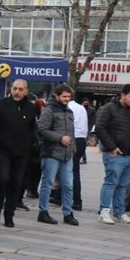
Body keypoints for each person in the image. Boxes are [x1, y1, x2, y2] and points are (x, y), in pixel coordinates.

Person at [0, 80, 37, 228]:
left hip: (22, 152)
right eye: (15, 88)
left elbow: (32, 127)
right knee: (3, 179)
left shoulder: (30, 108)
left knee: (16, 183)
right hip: (3, 150)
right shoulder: (0, 105)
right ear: (11, 89)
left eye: (20, 89)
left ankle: (9, 214)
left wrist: (31, 141)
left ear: (25, 91)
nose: (17, 91)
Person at [94, 84, 130, 225]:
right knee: (111, 182)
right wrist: (112, 147)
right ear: (123, 95)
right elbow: (100, 127)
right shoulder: (109, 108)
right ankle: (104, 212)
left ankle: (119, 212)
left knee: (123, 185)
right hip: (115, 154)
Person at [36, 84, 78, 226]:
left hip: (67, 154)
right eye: (64, 96)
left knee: (68, 185)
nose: (67, 99)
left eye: (69, 97)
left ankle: (68, 212)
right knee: (47, 184)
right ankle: (43, 212)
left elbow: (72, 132)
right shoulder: (49, 110)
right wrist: (60, 138)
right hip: (51, 153)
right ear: (57, 96)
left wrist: (73, 149)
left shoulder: (70, 112)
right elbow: (42, 129)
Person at [69, 95, 89, 211]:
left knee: (68, 170)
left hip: (72, 138)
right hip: (81, 139)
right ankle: (76, 200)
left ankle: (75, 200)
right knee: (74, 169)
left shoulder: (67, 107)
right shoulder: (81, 108)